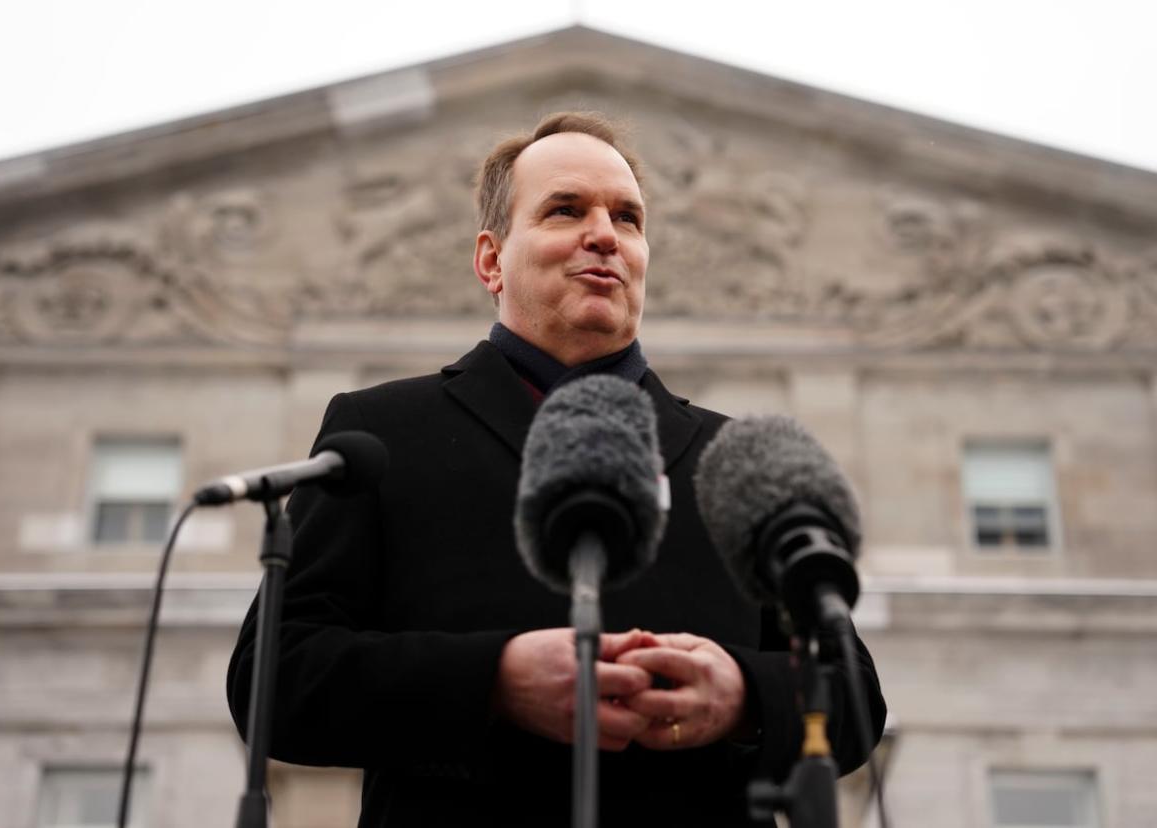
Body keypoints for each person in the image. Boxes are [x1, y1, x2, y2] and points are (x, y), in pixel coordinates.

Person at [227, 111, 885, 827]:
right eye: (566, 210)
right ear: (491, 260)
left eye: (627, 218)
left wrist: (743, 695)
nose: (604, 233)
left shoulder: (737, 460)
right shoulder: (383, 432)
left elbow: (854, 698)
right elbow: (273, 677)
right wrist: (495, 680)